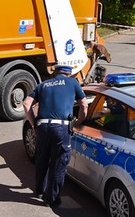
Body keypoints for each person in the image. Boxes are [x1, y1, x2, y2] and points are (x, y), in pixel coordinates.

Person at [22, 65, 88, 207]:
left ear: (55, 73)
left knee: (42, 160)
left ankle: (39, 191)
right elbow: (84, 104)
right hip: (61, 127)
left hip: (43, 126)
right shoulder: (72, 83)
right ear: (69, 74)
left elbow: (26, 104)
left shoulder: (43, 85)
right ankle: (51, 199)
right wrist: (79, 121)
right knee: (59, 162)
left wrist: (34, 124)